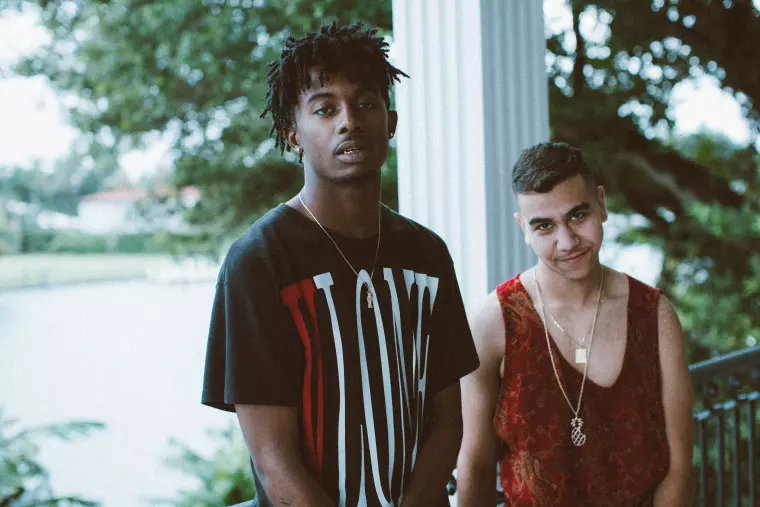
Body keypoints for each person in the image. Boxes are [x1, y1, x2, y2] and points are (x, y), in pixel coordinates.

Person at [201, 21, 479, 507]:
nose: (348, 121)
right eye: (324, 108)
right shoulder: (260, 261)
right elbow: (272, 460)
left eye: (365, 103)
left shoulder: (427, 254)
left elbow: (448, 421)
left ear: (390, 122)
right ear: (293, 135)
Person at [456, 142, 694, 506]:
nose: (566, 242)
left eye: (578, 216)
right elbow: (475, 467)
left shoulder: (655, 314)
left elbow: (679, 470)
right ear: (524, 228)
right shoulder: (494, 323)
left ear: (601, 204)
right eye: (544, 226)